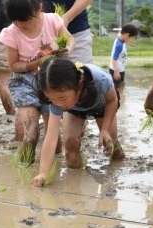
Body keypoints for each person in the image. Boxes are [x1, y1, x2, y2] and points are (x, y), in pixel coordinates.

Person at [0, 0, 74, 162]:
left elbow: (70, 39)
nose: (22, 25)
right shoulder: (11, 33)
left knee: (53, 137)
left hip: (51, 81)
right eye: (16, 21)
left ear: (39, 8)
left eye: (26, 20)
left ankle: (52, 166)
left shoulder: (53, 21)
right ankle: (24, 170)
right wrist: (33, 65)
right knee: (30, 131)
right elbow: (13, 65)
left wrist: (66, 49)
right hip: (24, 82)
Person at [32, 58, 126, 188]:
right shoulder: (57, 100)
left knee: (112, 146)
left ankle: (117, 175)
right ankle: (76, 186)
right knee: (70, 147)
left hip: (103, 105)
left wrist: (105, 130)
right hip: (74, 110)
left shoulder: (101, 79)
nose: (58, 104)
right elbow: (51, 136)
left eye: (62, 98)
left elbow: (112, 100)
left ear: (80, 84)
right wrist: (43, 173)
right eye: (51, 99)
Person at [109, 24, 138, 99]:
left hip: (120, 69)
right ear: (127, 35)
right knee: (118, 91)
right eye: (131, 38)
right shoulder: (119, 45)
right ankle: (119, 105)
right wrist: (116, 72)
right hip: (116, 71)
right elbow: (114, 59)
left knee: (121, 88)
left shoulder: (120, 39)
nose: (131, 40)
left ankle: (121, 103)